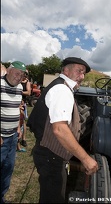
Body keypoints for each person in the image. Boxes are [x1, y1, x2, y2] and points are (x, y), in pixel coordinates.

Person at [31, 57, 99, 203]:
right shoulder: (62, 90)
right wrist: (85, 159)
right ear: (66, 70)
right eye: (79, 71)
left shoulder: (62, 87)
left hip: (51, 155)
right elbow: (60, 129)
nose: (82, 76)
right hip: (51, 157)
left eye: (84, 74)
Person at [1, 60, 27, 203]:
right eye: (17, 73)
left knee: (7, 170)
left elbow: (17, 108)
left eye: (22, 75)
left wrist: (18, 128)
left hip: (11, 137)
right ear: (9, 70)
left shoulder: (18, 88)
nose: (19, 77)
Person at [20, 70, 31, 147]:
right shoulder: (18, 80)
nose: (25, 75)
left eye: (26, 74)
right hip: (17, 102)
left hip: (22, 103)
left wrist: (20, 92)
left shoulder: (27, 82)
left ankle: (23, 139)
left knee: (22, 121)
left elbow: (28, 92)